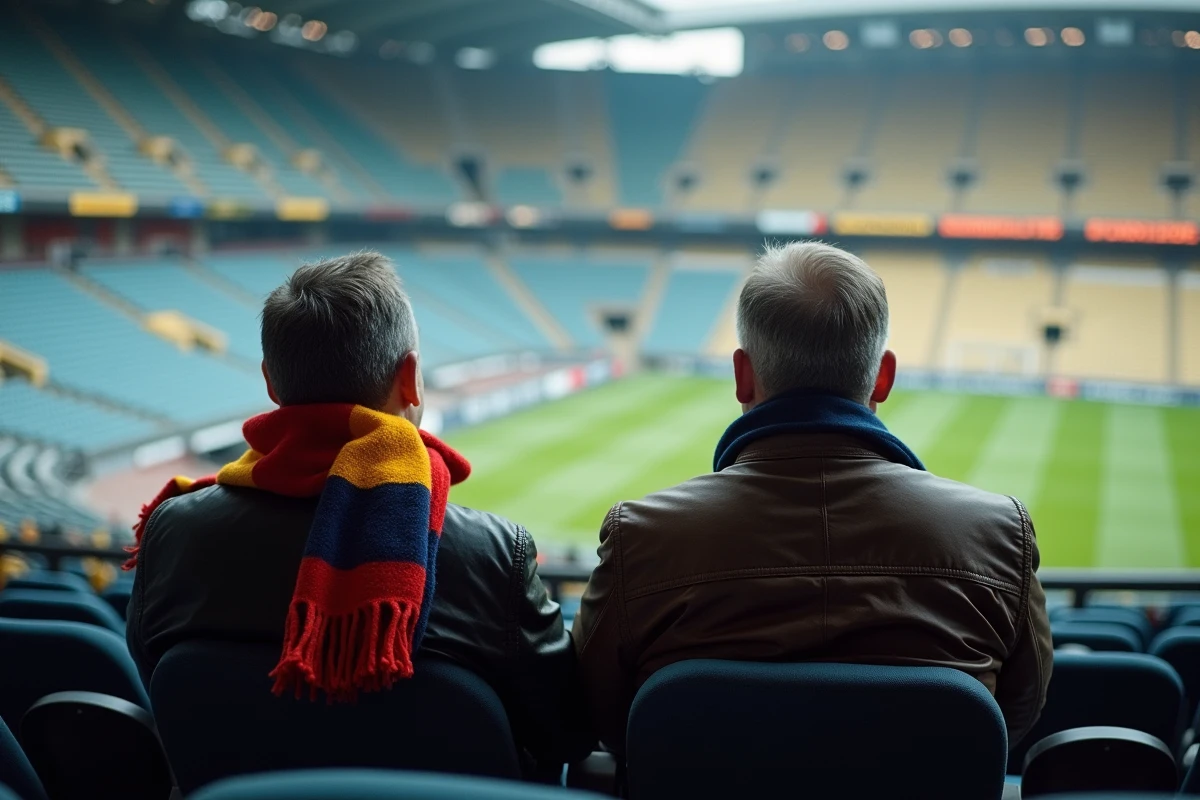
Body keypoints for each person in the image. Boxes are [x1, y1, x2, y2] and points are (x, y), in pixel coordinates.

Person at [573, 241, 1052, 754]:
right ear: (884, 377)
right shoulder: (1002, 534)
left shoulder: (640, 537)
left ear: (742, 376)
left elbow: (592, 717)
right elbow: (1012, 719)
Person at [126, 250, 592, 769]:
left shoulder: (171, 529)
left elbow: (160, 688)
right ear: (410, 379)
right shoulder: (497, 556)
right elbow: (565, 735)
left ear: (271, 383)